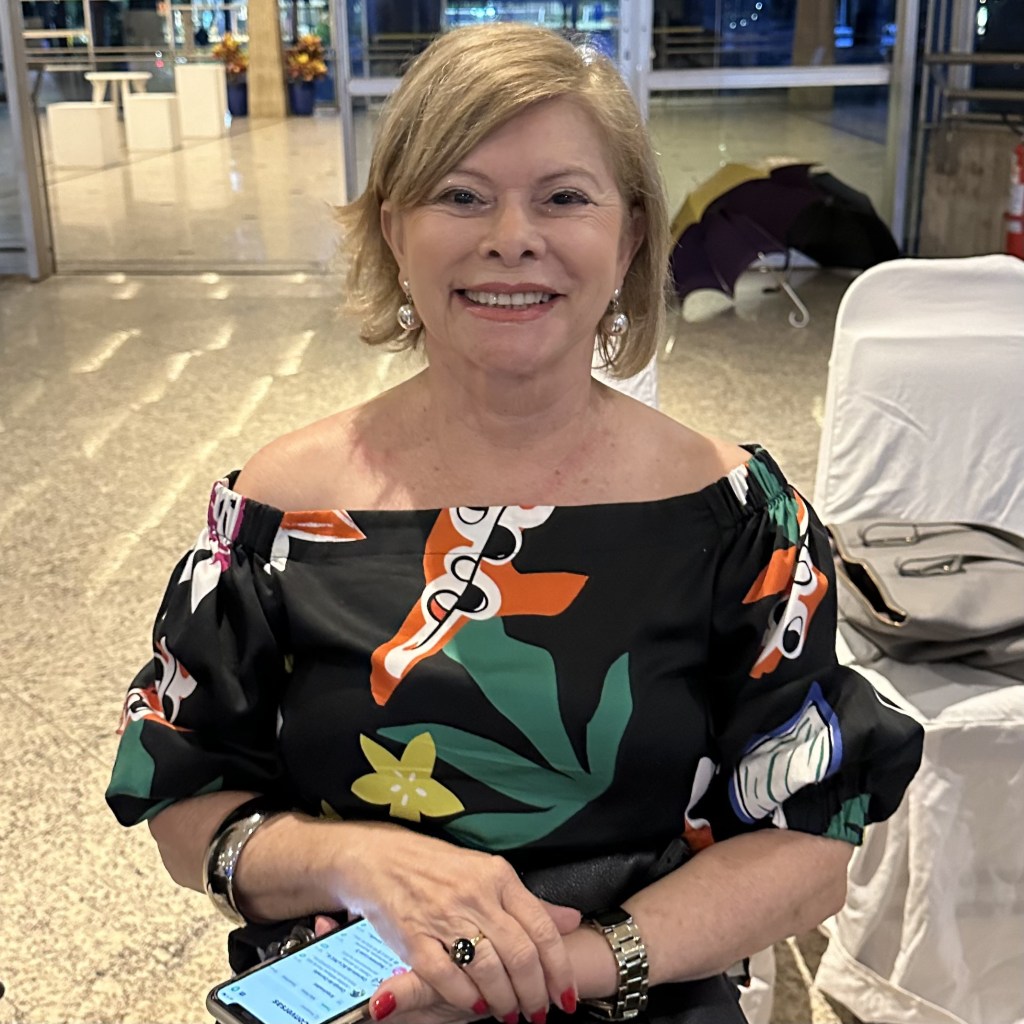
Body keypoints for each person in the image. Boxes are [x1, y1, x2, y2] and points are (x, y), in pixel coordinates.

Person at [105, 22, 923, 1024]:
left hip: (637, 995)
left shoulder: (742, 521)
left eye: (564, 197)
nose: (511, 236)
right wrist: (357, 859)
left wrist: (567, 963)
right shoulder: (281, 514)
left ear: (629, 238)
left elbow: (808, 844)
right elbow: (185, 798)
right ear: (394, 229)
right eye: (460, 195)